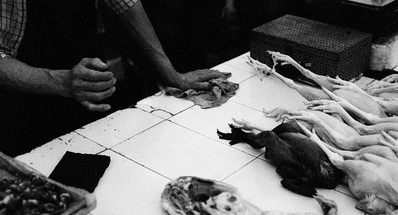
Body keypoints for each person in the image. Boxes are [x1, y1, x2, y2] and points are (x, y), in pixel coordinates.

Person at [0, 0, 228, 157]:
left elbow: (126, 3)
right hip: (23, 103)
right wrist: (60, 81)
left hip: (89, 88)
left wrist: (171, 74)